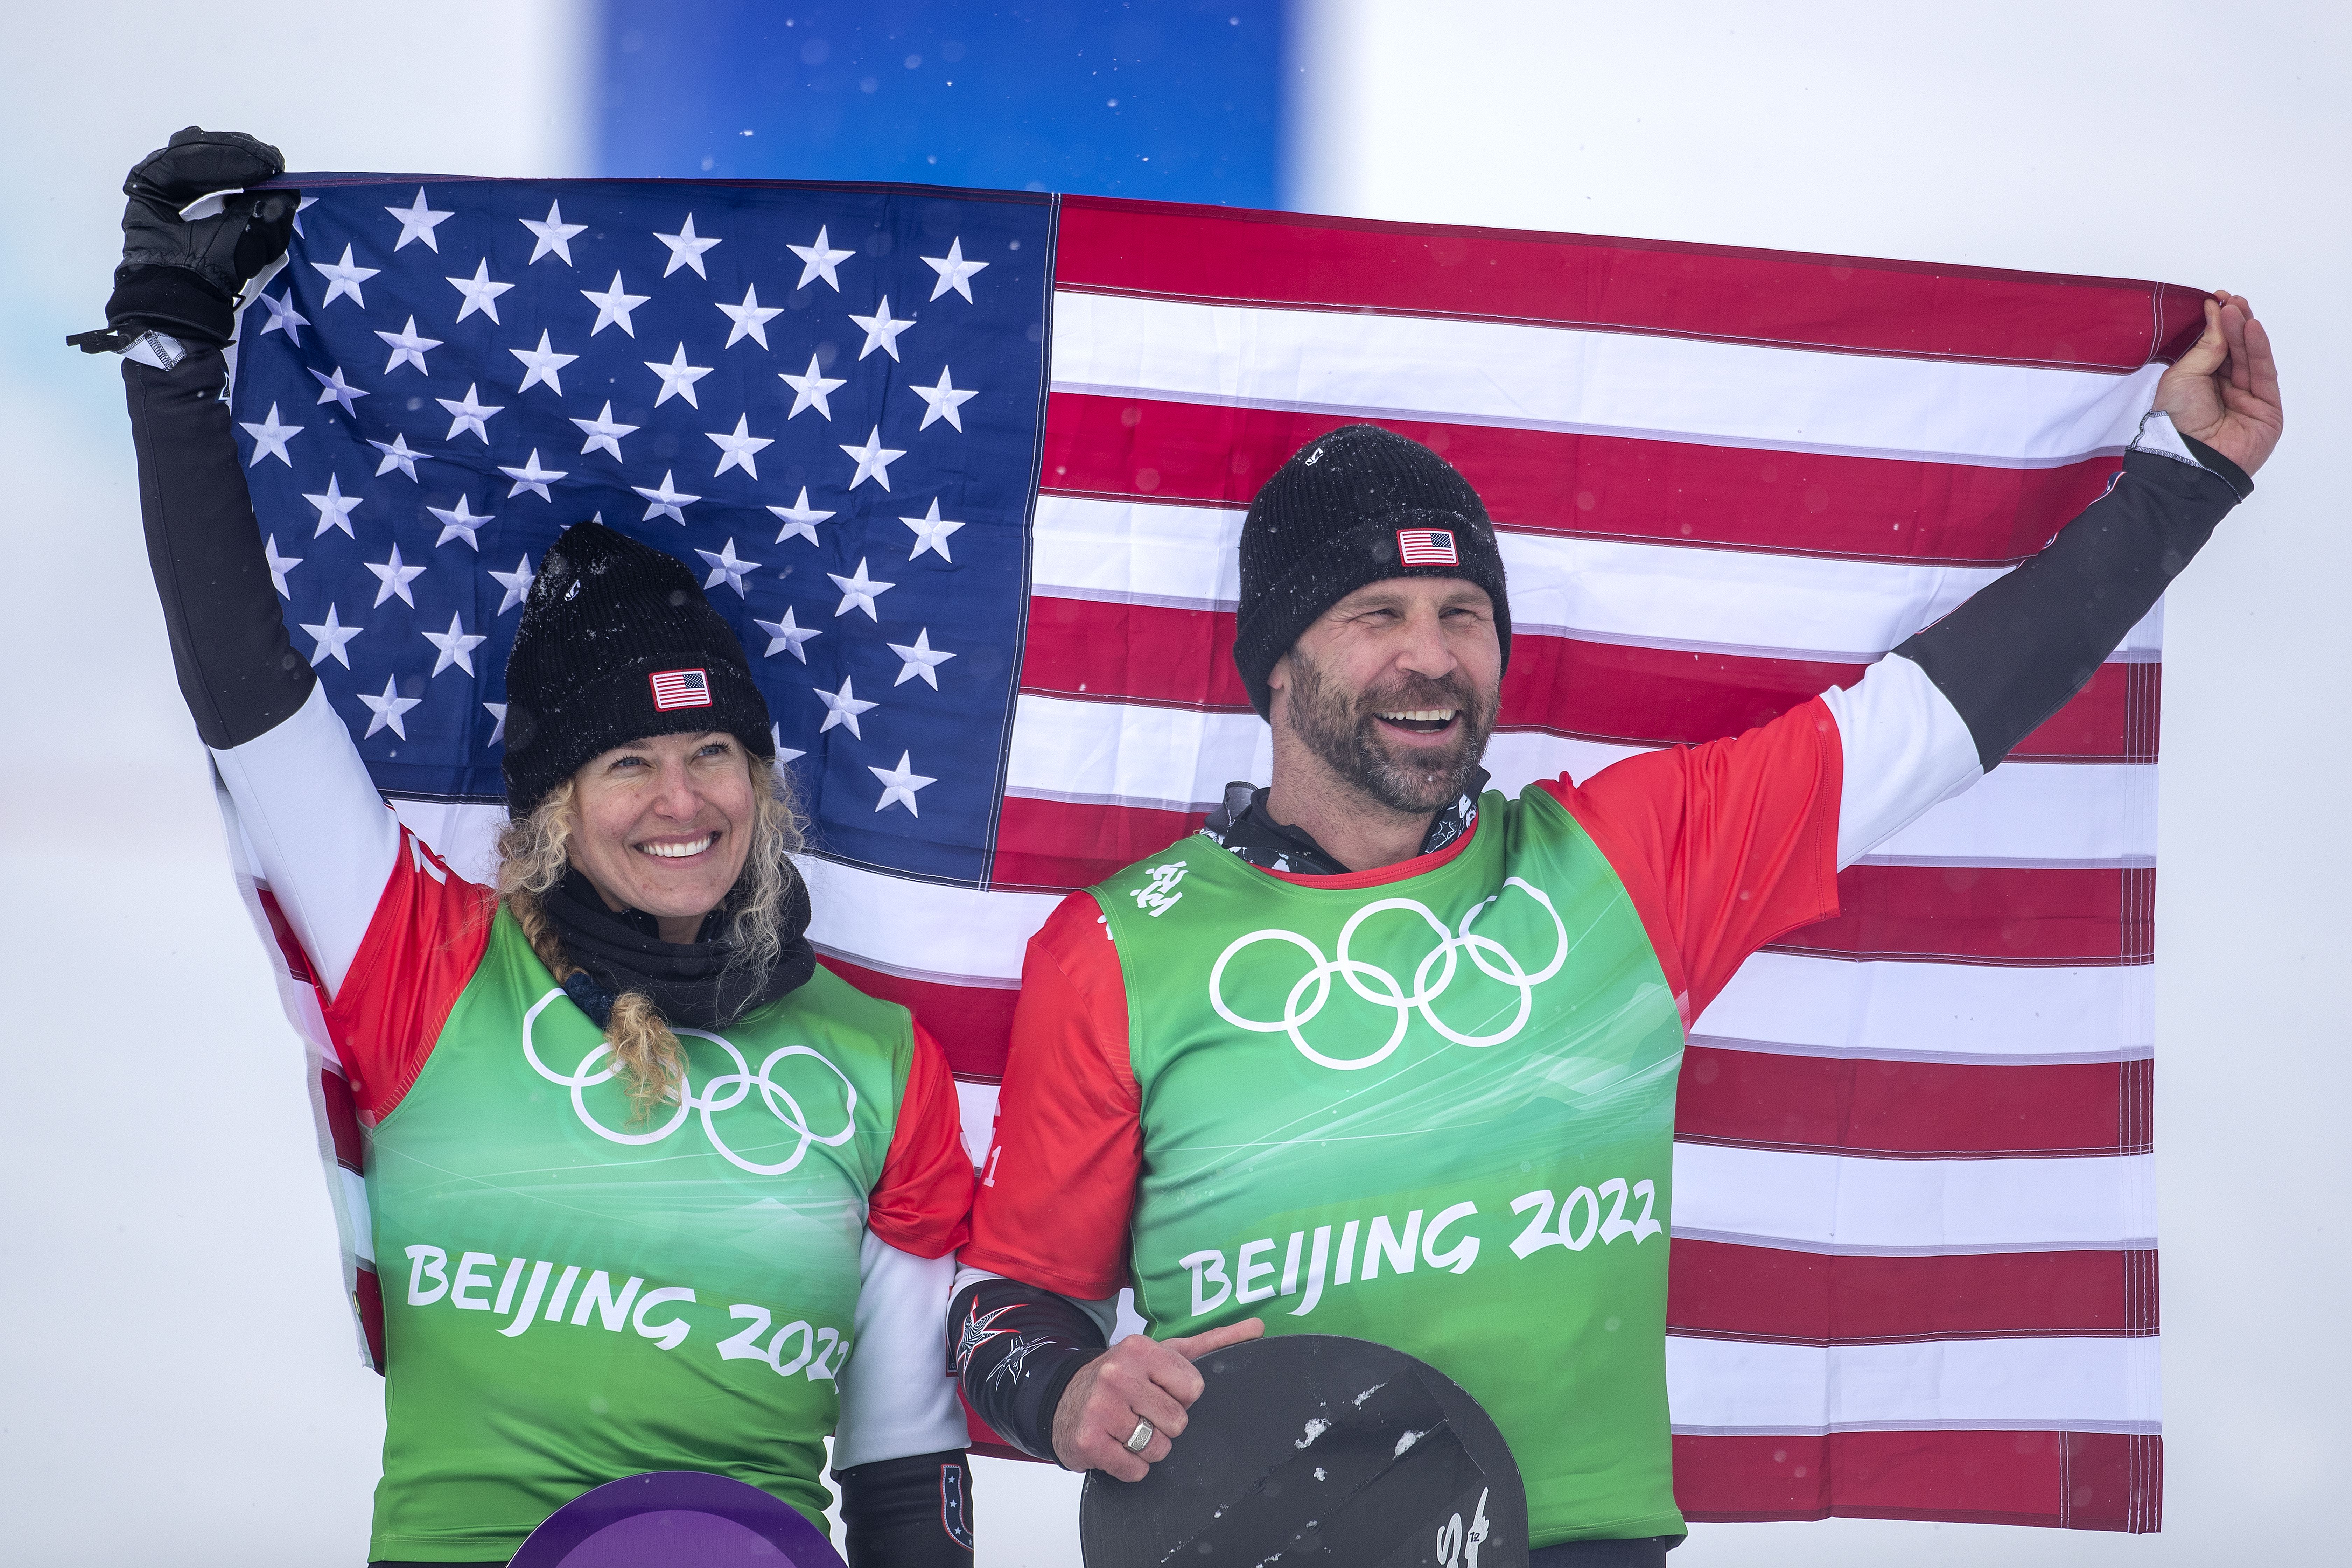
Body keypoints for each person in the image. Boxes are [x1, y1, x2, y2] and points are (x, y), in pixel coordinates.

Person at [947, 280, 2282, 1561]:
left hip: (1578, 1544)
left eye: (1464, 613)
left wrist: (2183, 484)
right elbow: (1004, 1304)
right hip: (1249, 1543)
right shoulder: (1120, 948)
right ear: (1278, 663)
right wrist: (1068, 1394)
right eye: (1377, 615)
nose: (1434, 656)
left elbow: (1928, 720)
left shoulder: (1619, 870)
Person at [90, 129, 979, 1567]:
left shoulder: (881, 1063)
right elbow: (252, 701)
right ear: (554, 809)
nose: (682, 799)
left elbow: (899, 1465)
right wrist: (173, 358)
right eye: (628, 762)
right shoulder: (427, 964)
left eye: (714, 755)